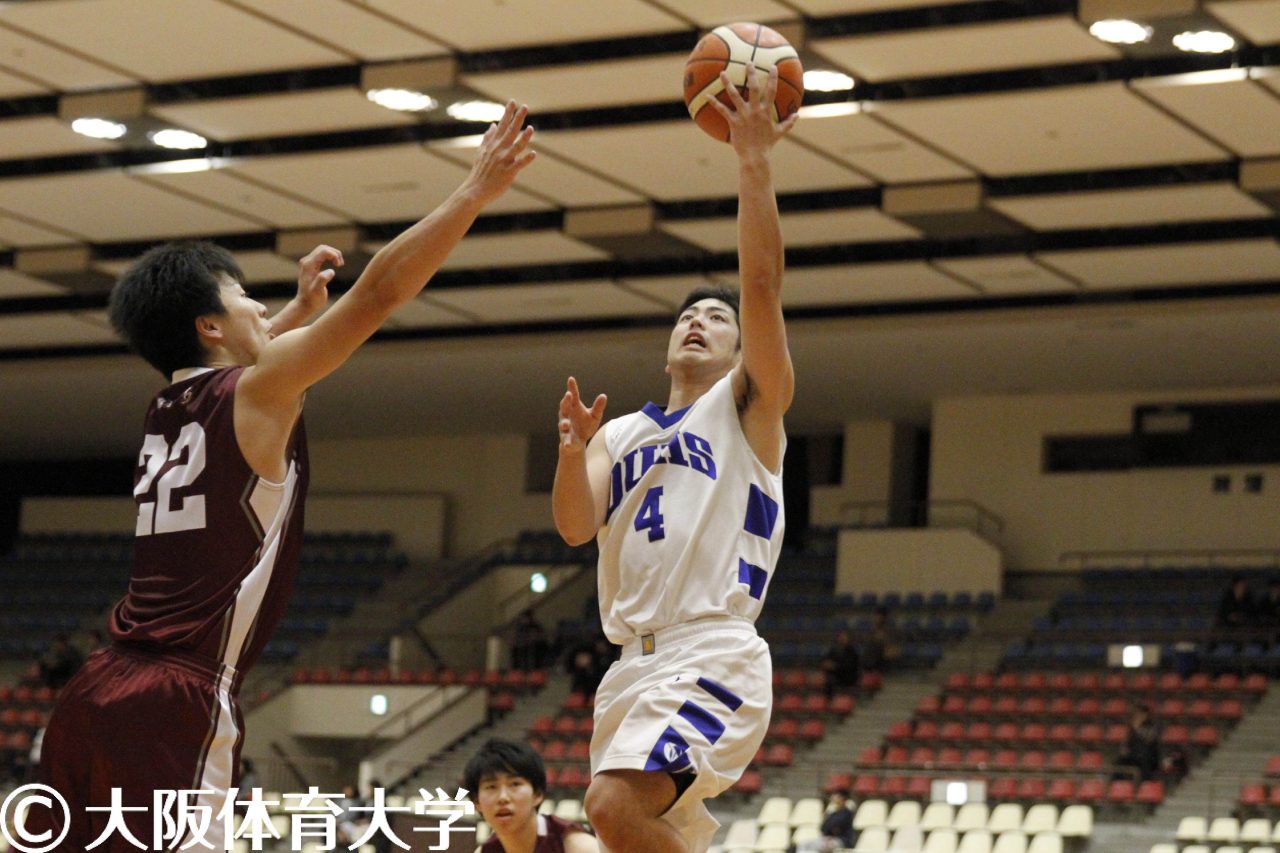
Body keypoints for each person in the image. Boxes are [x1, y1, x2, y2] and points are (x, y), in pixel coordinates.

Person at [25, 103, 536, 853]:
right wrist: (473, 192)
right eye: (242, 298)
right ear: (208, 325)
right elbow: (378, 297)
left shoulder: (164, 407)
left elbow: (243, 369)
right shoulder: (256, 393)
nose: (262, 307)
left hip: (95, 689)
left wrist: (287, 317)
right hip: (178, 692)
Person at [552, 64, 796, 853]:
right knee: (636, 834)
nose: (698, 321)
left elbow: (761, 285)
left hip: (710, 647)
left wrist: (753, 161)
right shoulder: (618, 431)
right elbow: (574, 526)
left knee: (610, 808)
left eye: (715, 318)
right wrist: (570, 451)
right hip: (629, 665)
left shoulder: (748, 408)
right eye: (688, 314)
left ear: (737, 348)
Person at [465, 739, 598, 853]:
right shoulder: (486, 851)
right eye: (491, 787)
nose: (503, 797)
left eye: (515, 784)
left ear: (537, 794)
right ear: (477, 802)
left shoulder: (576, 845)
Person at [1117, 703, 1161, 783]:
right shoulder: (1132, 726)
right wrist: (1124, 748)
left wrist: (1136, 728)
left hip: (1149, 756)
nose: (1137, 716)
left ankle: (1145, 784)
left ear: (1145, 714)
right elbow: (1127, 741)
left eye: (1140, 713)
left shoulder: (1152, 726)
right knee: (1119, 761)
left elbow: (1148, 739)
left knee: (1144, 758)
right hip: (1133, 755)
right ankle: (1119, 785)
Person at [819, 630, 860, 698]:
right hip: (835, 674)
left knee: (831, 681)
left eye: (844, 637)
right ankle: (826, 701)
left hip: (848, 676)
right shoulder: (834, 649)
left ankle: (831, 700)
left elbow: (849, 666)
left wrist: (835, 666)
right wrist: (826, 664)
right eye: (841, 637)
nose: (842, 639)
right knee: (827, 679)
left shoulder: (852, 652)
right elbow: (826, 658)